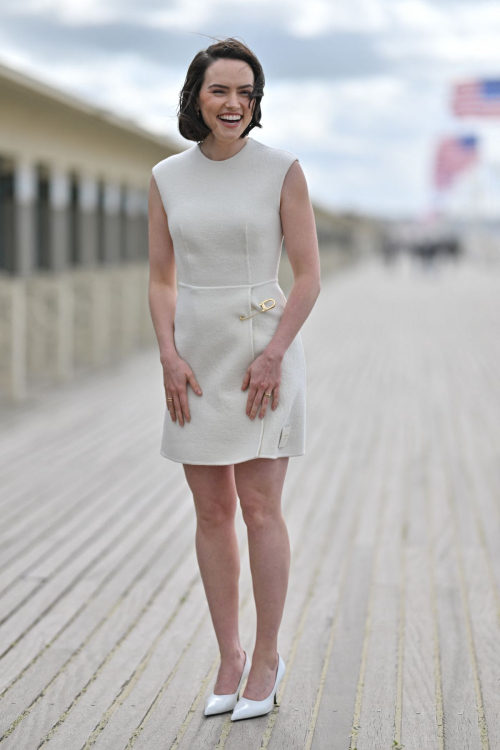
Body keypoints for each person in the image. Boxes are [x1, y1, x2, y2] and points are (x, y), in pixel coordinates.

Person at [148, 37, 321, 721]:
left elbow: (307, 277)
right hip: (193, 358)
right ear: (196, 95)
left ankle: (269, 655)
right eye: (221, 90)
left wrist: (275, 352)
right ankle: (230, 656)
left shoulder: (282, 170)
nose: (234, 104)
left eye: (246, 93)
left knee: (258, 508)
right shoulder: (165, 176)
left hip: (262, 356)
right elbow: (161, 278)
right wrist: (167, 353)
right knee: (212, 511)